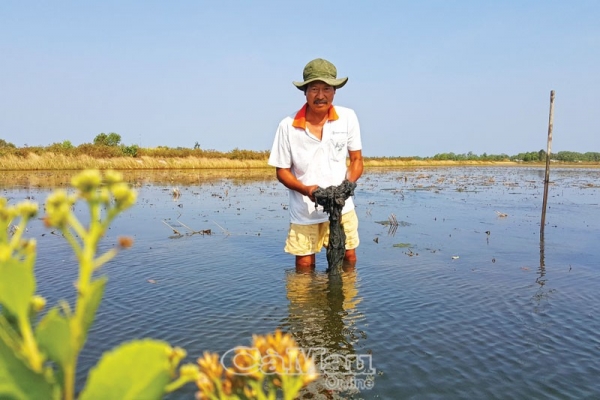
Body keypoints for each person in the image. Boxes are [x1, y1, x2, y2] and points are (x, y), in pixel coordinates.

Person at [268, 58, 364, 272]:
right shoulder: (287, 126)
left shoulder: (348, 118)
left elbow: (357, 160)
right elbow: (282, 171)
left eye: (326, 89)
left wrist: (347, 186)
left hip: (342, 206)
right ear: (305, 92)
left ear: (334, 91)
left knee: (348, 257)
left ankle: (343, 302)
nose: (320, 96)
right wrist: (306, 189)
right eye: (314, 89)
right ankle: (306, 303)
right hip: (304, 209)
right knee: (304, 265)